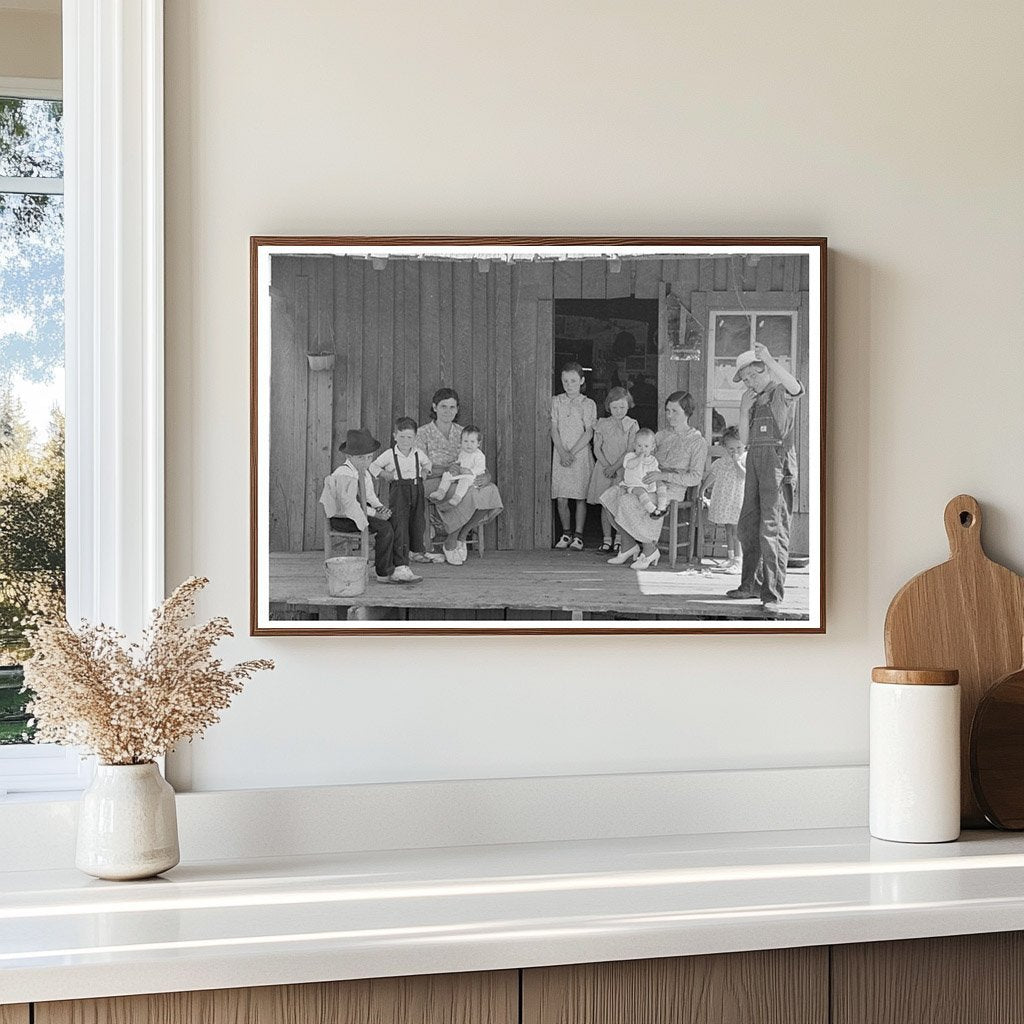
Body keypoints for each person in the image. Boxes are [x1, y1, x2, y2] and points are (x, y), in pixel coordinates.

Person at [726, 342, 804, 615]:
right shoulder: (753, 399)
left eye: (752, 376)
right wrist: (743, 410)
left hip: (777, 464)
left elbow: (796, 387)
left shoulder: (781, 391)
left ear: (766, 370)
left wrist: (770, 359)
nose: (749, 382)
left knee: (772, 529)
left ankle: (772, 594)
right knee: (748, 526)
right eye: (745, 379)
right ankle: (749, 584)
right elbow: (745, 441)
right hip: (755, 464)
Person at [600, 391, 709, 570]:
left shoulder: (697, 441)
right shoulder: (660, 435)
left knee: (629, 500)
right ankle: (628, 545)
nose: (669, 415)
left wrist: (663, 476)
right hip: (646, 481)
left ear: (687, 412)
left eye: (675, 411)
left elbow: (695, 477)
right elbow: (645, 455)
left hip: (671, 489)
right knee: (609, 495)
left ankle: (649, 550)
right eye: (667, 411)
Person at [318, 428, 422, 584]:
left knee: (397, 521)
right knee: (385, 528)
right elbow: (351, 503)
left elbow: (370, 496)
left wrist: (380, 507)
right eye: (361, 458)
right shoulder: (343, 474)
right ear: (348, 456)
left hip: (362, 512)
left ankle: (400, 566)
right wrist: (375, 514)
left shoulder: (364, 472)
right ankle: (383, 572)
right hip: (344, 517)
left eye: (369, 457)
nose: (366, 461)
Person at [415, 388, 503, 566]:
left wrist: (486, 476)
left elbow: (478, 460)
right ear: (434, 407)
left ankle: (462, 535)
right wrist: (448, 469)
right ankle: (451, 541)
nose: (448, 411)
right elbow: (420, 466)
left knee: (490, 490)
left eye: (452, 407)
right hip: (435, 481)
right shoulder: (423, 432)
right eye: (443, 406)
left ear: (457, 409)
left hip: (464, 478)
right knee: (465, 492)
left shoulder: (464, 432)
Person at [369, 416, 444, 566]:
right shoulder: (389, 454)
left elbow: (427, 463)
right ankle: (399, 555)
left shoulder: (418, 453)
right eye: (401, 436)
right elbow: (373, 466)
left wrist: (425, 471)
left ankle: (415, 552)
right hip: (398, 491)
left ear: (415, 437)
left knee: (417, 521)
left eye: (409, 437)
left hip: (416, 488)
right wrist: (385, 474)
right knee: (399, 521)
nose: (405, 440)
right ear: (395, 436)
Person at [550, 361, 597, 550]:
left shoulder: (588, 404)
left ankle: (578, 536)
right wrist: (562, 451)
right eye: (566, 381)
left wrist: (572, 453)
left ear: (582, 381)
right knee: (562, 497)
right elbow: (553, 428)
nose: (569, 384)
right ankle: (566, 533)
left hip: (579, 454)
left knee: (579, 496)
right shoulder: (556, 401)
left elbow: (589, 432)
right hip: (560, 453)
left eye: (573, 381)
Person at [587, 386, 638, 553]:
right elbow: (596, 448)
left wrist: (615, 467)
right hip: (603, 470)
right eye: (614, 407)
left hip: (622, 470)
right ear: (609, 406)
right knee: (606, 505)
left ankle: (619, 539)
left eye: (622, 407)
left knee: (620, 504)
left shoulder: (632, 425)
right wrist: (607, 466)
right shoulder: (601, 424)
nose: (618, 411)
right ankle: (606, 539)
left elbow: (631, 449)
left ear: (628, 405)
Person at [701, 426, 746, 571]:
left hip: (738, 499)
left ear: (744, 444)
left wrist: (736, 462)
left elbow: (744, 475)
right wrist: (702, 489)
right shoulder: (722, 461)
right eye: (731, 449)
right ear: (725, 447)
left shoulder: (745, 459)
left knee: (736, 530)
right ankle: (731, 558)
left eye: (738, 447)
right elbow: (713, 475)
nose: (735, 452)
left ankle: (739, 561)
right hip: (725, 499)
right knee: (727, 528)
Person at [429, 424, 486, 506]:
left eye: (472, 442)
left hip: (471, 477)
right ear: (461, 441)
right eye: (465, 441)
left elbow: (481, 468)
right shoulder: (463, 452)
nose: (468, 445)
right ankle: (441, 492)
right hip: (461, 474)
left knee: (464, 482)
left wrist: (470, 471)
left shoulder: (479, 455)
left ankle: (457, 497)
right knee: (447, 475)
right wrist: (456, 467)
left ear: (478, 443)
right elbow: (459, 462)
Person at [619, 428, 666, 517]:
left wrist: (658, 477)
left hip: (648, 484)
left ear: (652, 447)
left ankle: (662, 507)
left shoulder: (653, 460)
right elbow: (629, 465)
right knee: (641, 492)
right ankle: (652, 510)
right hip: (634, 485)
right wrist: (639, 458)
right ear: (634, 446)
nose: (642, 449)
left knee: (661, 485)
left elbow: (656, 472)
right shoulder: (630, 456)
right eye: (639, 446)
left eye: (646, 446)